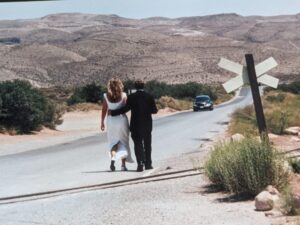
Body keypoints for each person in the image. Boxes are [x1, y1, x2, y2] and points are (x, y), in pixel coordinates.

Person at [109, 79, 158, 172]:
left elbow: (125, 109)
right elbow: (154, 111)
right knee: (147, 144)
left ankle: (140, 163)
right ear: (144, 86)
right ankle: (148, 164)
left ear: (135, 87)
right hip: (147, 124)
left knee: (138, 144)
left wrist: (113, 113)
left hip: (135, 124)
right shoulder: (149, 96)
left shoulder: (131, 97)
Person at [101, 78, 134, 171]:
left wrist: (102, 122)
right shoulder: (123, 95)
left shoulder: (106, 96)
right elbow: (125, 108)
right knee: (123, 142)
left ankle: (113, 158)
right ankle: (123, 166)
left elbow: (104, 109)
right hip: (121, 120)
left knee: (113, 142)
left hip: (111, 121)